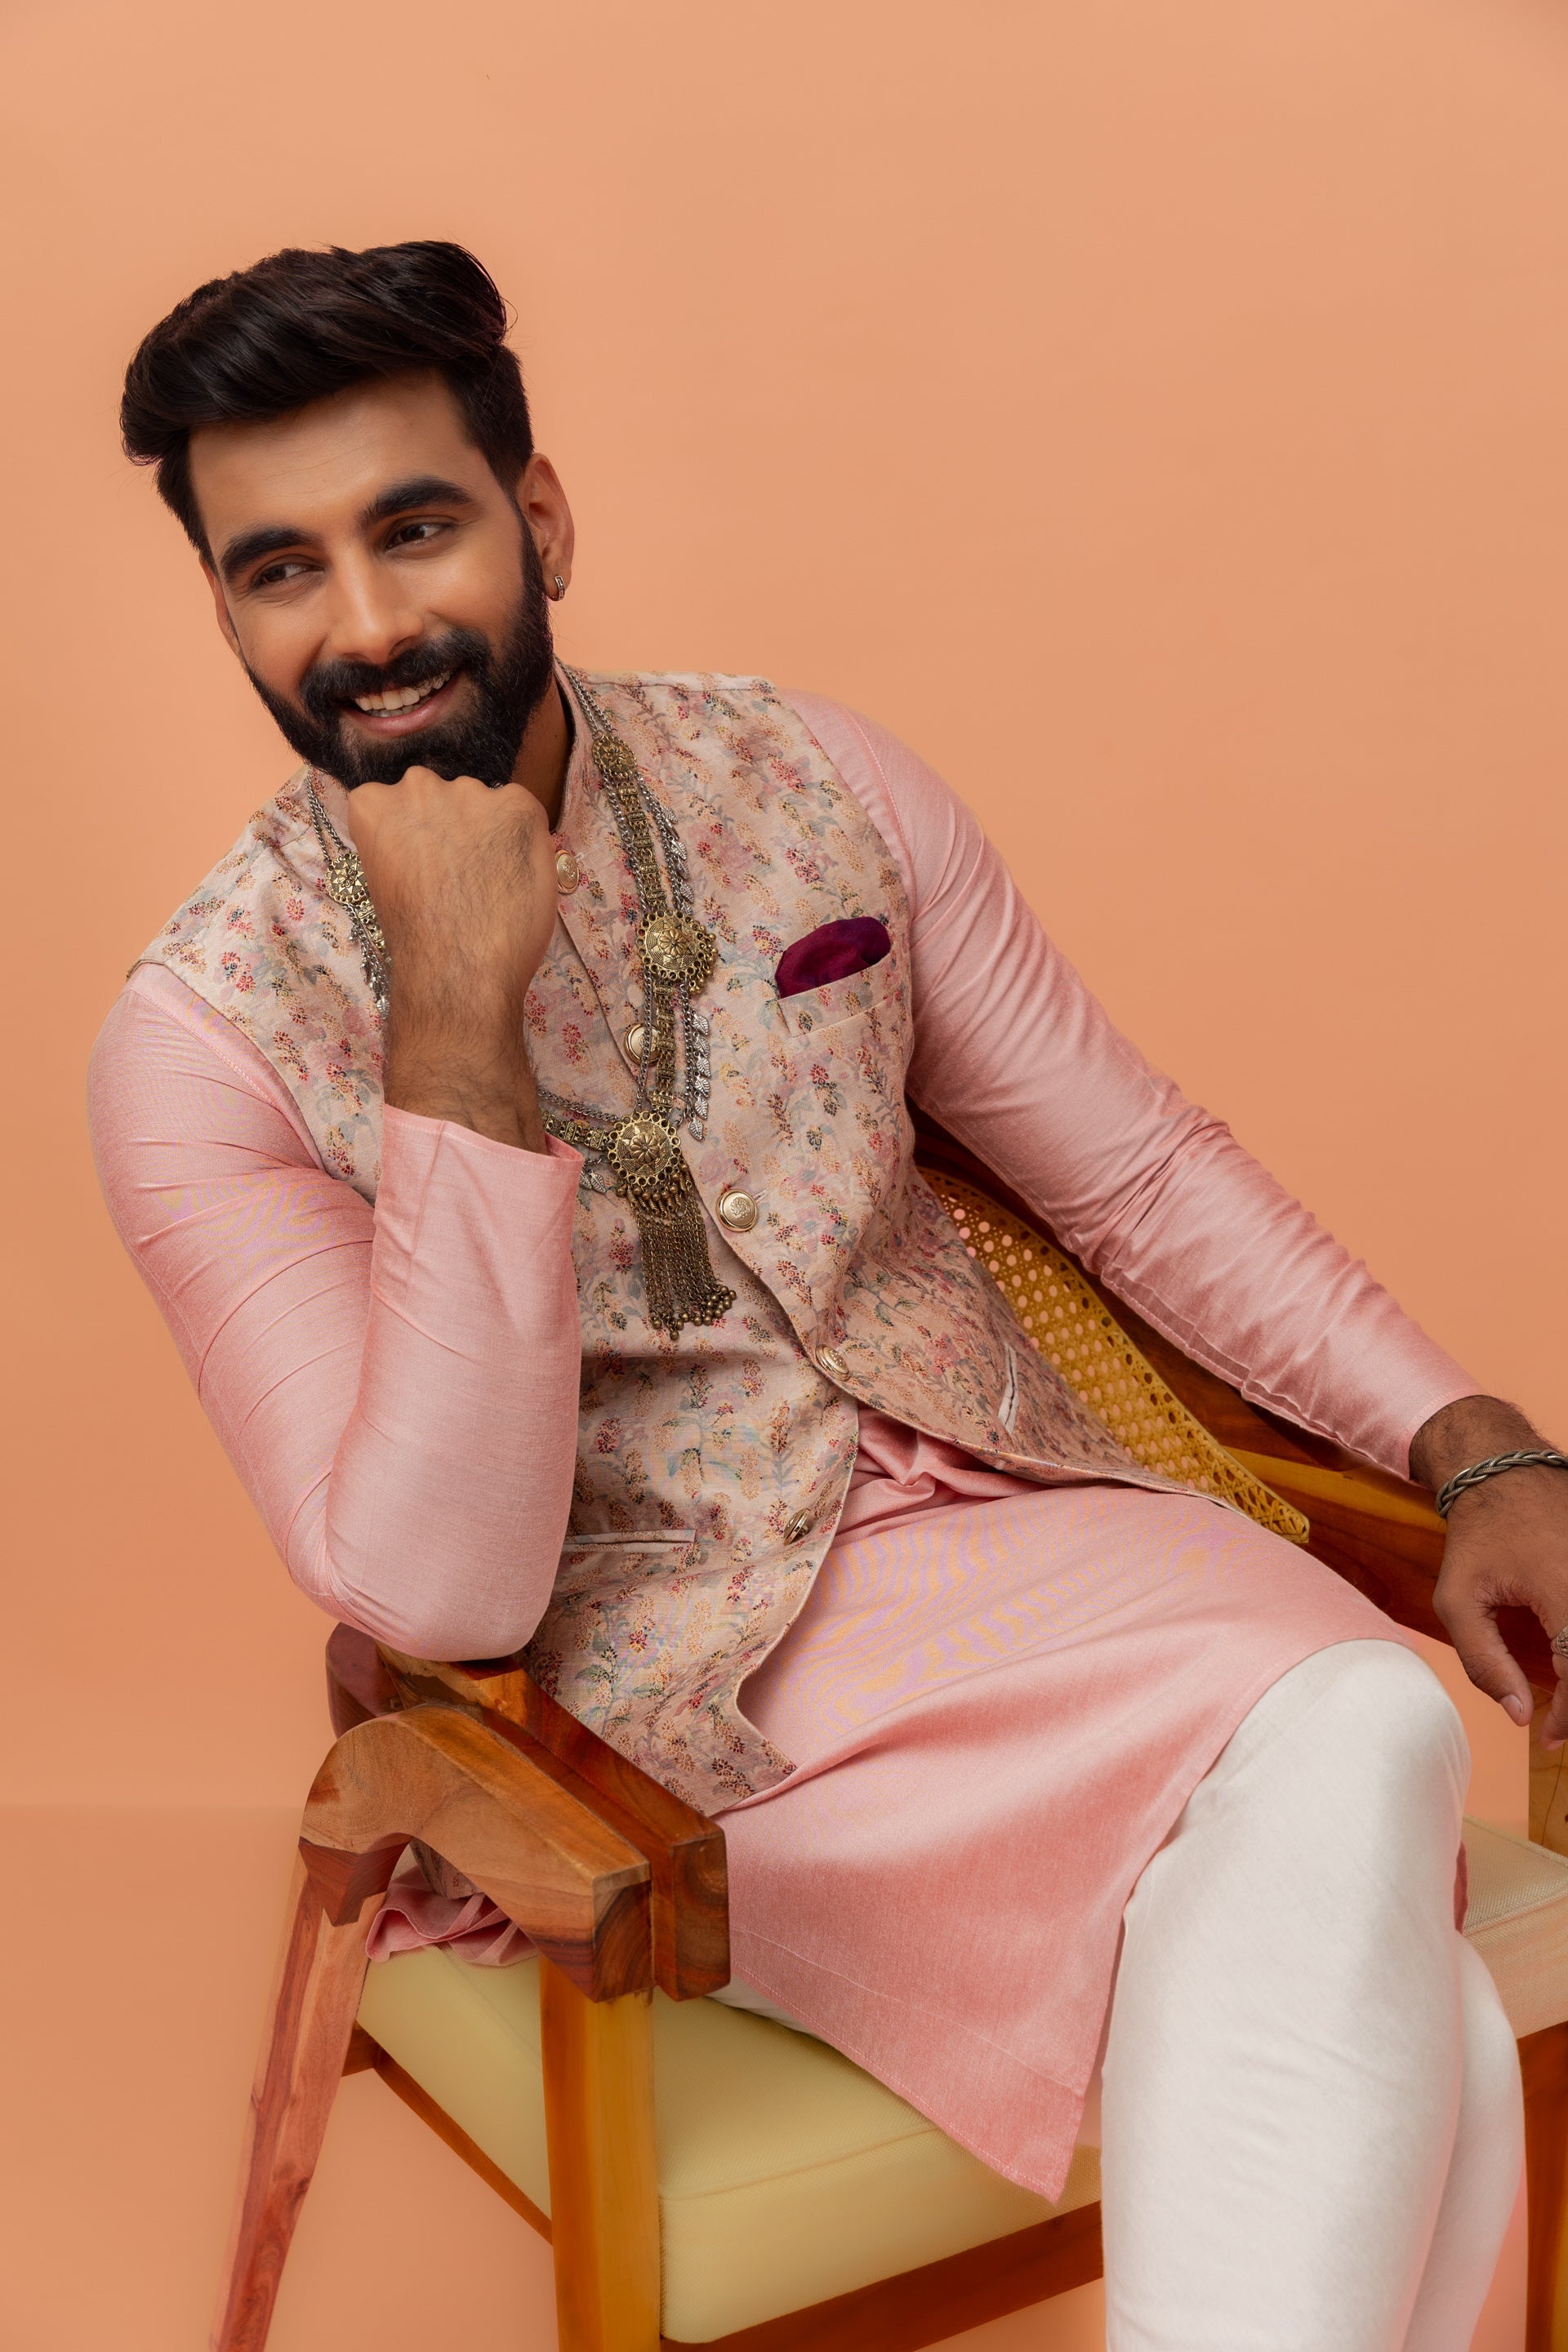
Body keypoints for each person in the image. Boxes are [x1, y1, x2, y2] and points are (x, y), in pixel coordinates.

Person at [89, 238, 1566, 2349]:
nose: (370, 624)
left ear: (541, 519)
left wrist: (1475, 1442)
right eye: (280, 570)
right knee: (1385, 1889)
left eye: (414, 528)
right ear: (227, 613)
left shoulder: (818, 780)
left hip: (1041, 1540)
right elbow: (447, 1589)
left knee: (1361, 1722)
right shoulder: (200, 1043)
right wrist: (455, 1025)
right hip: (661, 1719)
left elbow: (1137, 1170)